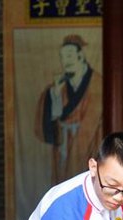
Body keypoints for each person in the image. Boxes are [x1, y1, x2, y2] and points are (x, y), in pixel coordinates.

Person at [35, 34, 103, 185]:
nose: (66, 61)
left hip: (88, 146)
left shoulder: (97, 84)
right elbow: (51, 120)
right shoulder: (57, 87)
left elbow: (90, 124)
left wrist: (75, 159)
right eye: (63, 56)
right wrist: (55, 95)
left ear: (80, 55)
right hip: (62, 149)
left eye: (70, 55)